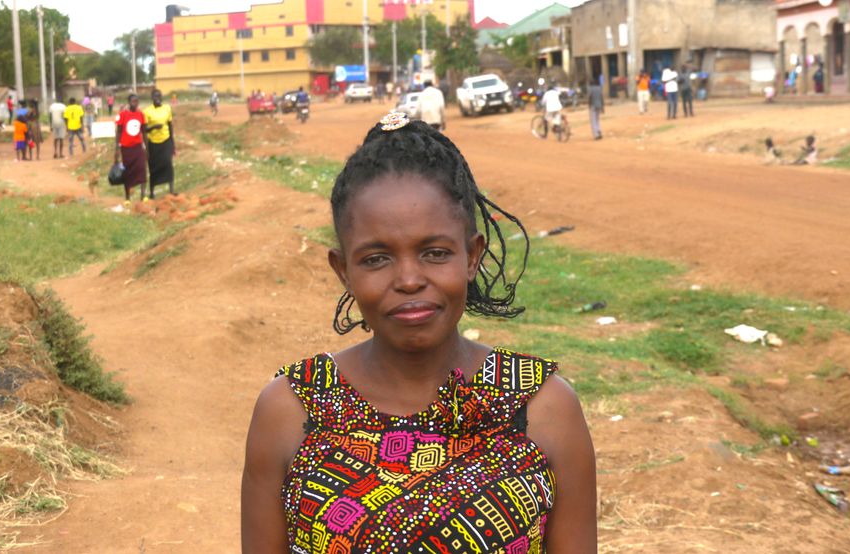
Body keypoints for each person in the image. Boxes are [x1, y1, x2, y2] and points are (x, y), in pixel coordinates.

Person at [240, 112, 597, 553]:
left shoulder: (542, 408)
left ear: (471, 257)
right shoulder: (291, 409)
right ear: (343, 270)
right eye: (376, 259)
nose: (409, 279)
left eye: (434, 252)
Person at [113, 94, 147, 203]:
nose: (135, 103)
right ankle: (127, 197)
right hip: (126, 147)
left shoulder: (141, 114)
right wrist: (117, 148)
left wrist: (146, 146)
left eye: (137, 101)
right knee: (127, 171)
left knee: (142, 169)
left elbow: (144, 131)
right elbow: (118, 131)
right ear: (129, 102)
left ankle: (143, 195)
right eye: (133, 101)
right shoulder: (123, 114)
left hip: (138, 146)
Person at [143, 89, 176, 198]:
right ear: (152, 98)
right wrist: (153, 127)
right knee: (153, 167)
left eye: (159, 96)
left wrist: (172, 143)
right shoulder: (147, 111)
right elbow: (144, 129)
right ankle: (152, 192)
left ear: (161, 97)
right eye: (155, 96)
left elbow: (170, 125)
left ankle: (171, 190)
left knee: (168, 164)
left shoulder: (167, 108)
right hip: (153, 143)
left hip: (166, 141)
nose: (157, 98)